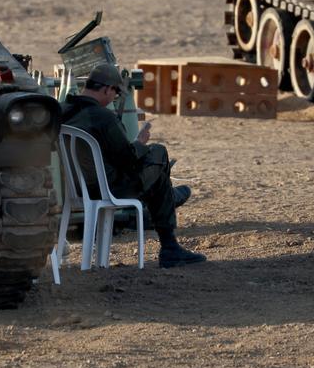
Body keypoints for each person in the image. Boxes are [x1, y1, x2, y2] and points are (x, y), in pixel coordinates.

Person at [62, 64, 206, 268]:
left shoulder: (63, 111)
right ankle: (169, 243)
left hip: (75, 189)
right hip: (109, 189)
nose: (115, 98)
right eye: (116, 92)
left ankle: (165, 200)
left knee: (155, 173)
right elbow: (128, 161)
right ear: (106, 89)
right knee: (158, 152)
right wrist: (140, 141)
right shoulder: (102, 117)